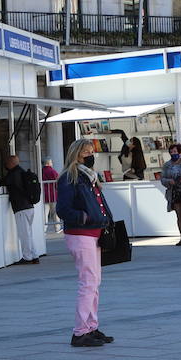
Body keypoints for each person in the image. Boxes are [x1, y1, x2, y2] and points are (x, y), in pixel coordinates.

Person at [56, 138, 113, 347]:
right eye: (85, 153)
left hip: (94, 233)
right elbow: (62, 209)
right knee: (88, 282)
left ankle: (91, 326)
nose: (90, 156)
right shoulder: (69, 178)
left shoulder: (90, 177)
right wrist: (85, 217)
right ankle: (80, 332)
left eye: (91, 152)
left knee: (94, 283)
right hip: (81, 234)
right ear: (76, 155)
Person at [1, 154, 41, 265]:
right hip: (29, 207)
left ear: (11, 163)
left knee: (24, 234)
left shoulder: (14, 174)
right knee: (28, 233)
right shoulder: (22, 172)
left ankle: (27, 257)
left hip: (21, 207)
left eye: (7, 162)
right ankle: (34, 255)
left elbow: (5, 182)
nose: (5, 165)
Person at [160, 142, 181, 246]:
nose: (173, 153)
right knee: (179, 215)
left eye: (175, 151)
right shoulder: (167, 165)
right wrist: (169, 181)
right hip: (173, 190)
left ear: (180, 152)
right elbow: (162, 178)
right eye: (171, 152)